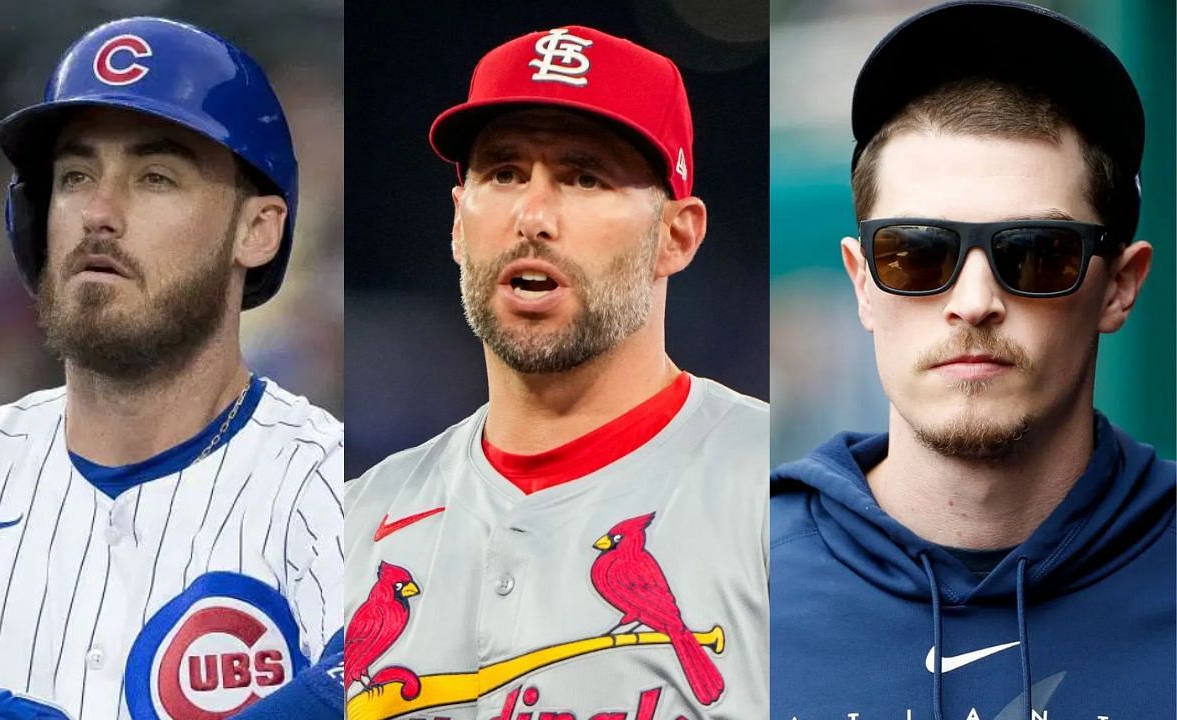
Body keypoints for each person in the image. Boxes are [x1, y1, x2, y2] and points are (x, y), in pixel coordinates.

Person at [0, 17, 343, 720]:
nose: (98, 213)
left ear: (257, 230)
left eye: (155, 177)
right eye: (75, 176)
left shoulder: (335, 489)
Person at [344, 25, 768, 720]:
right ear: (457, 224)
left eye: (584, 176)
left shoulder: (774, 499)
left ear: (677, 235)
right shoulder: (357, 522)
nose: (532, 216)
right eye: (504, 173)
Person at [770, 2, 1175, 718]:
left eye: (1037, 254)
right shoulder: (728, 580)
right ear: (862, 282)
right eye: (918, 252)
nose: (975, 300)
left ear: (1120, 286)